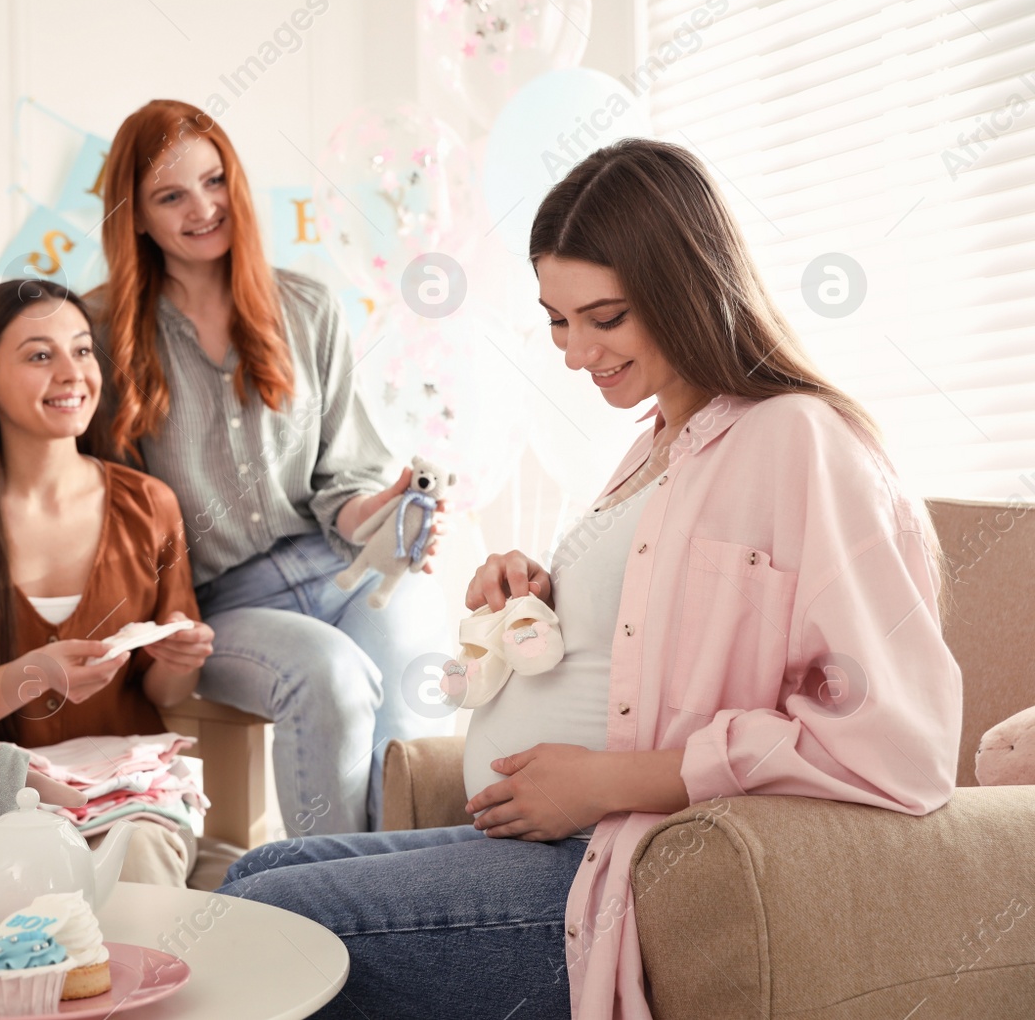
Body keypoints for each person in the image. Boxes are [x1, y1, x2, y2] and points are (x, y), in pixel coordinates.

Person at [215, 139, 963, 1020]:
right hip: (565, 836)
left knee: (265, 921)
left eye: (605, 318)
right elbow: (654, 643)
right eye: (558, 320)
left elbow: (893, 740)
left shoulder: (796, 438)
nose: (576, 354)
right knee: (255, 870)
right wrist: (539, 596)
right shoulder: (654, 442)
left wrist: (608, 783)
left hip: (611, 863)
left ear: (687, 287)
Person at [89, 98, 453, 836]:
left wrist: (382, 510)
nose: (203, 208)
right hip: (221, 605)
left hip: (343, 570)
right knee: (331, 676)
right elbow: (111, 510)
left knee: (417, 683)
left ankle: (409, 891)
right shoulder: (100, 333)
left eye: (214, 180)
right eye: (171, 195)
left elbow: (340, 483)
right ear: (137, 217)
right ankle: (337, 905)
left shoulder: (307, 308)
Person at [0, 279, 214, 886]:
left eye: (83, 350)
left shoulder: (150, 503)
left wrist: (181, 656)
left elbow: (166, 694)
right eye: (39, 355)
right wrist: (32, 675)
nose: (72, 372)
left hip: (118, 794)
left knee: (136, 858)